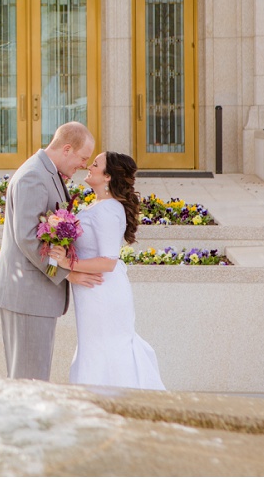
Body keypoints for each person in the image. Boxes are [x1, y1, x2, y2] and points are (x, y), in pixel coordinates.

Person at [0, 121, 103, 381]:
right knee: (30, 380)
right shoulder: (33, 176)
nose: (83, 166)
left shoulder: (45, 172)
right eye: (82, 159)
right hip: (28, 295)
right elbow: (29, 238)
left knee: (30, 378)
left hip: (32, 296)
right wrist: (67, 273)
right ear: (66, 149)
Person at [50, 151, 165, 390]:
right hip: (92, 291)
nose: (88, 167)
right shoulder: (99, 205)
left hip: (102, 292)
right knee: (94, 347)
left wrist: (67, 264)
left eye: (95, 164)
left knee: (107, 347)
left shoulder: (110, 210)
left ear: (108, 177)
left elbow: (108, 262)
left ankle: (119, 402)